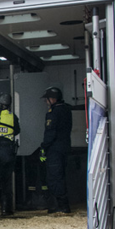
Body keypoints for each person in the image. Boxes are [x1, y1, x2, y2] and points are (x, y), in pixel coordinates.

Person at [40, 86, 72, 214]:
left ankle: (60, 206)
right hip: (64, 147)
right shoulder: (66, 110)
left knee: (54, 177)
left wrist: (44, 146)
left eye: (47, 99)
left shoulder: (54, 112)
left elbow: (50, 132)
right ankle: (62, 205)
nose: (45, 101)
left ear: (53, 99)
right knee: (61, 176)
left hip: (54, 149)